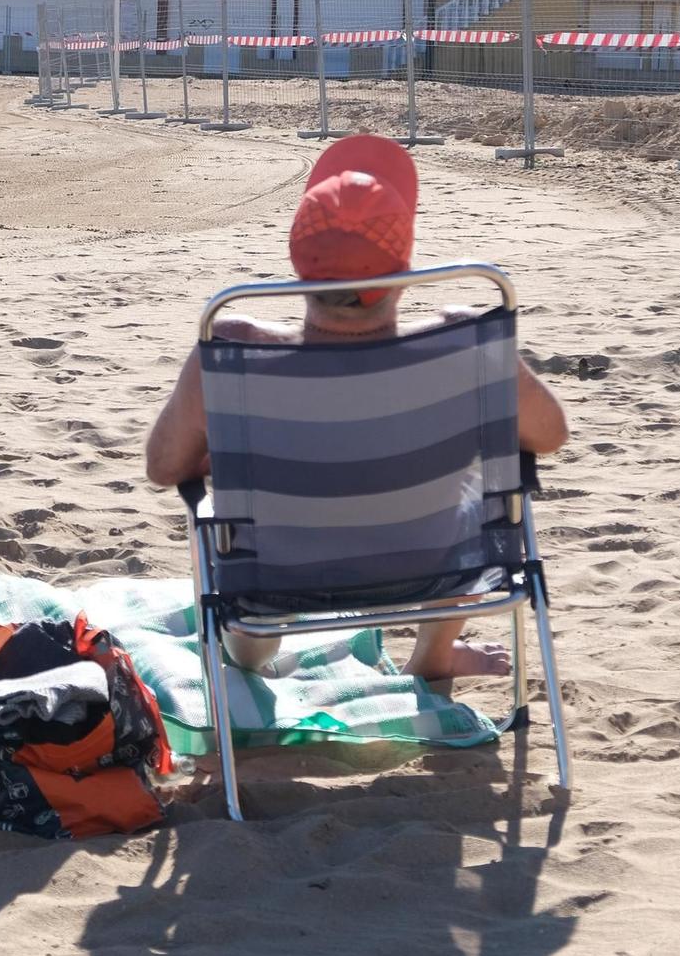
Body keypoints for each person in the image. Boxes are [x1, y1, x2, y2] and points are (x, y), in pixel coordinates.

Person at [144, 134, 567, 682]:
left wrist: (233, 449)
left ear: (299, 265)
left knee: (243, 542)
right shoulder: (463, 345)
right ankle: (433, 653)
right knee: (470, 490)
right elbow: (550, 434)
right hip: (436, 567)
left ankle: (251, 662)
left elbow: (163, 468)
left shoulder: (233, 352)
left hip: (278, 581)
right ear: (402, 266)